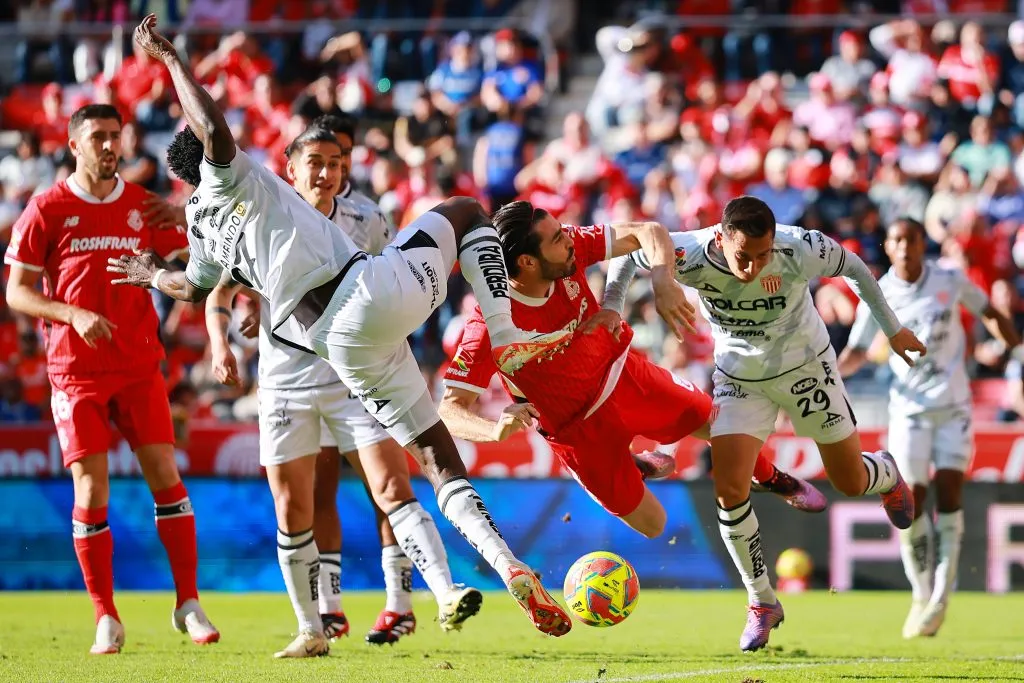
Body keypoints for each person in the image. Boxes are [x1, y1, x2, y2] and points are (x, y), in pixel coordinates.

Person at [108, 15, 576, 640]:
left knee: (435, 455)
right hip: (361, 295)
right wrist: (170, 60)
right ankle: (510, 339)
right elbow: (214, 126)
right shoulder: (230, 173)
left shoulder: (199, 227)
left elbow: (191, 288)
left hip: (339, 348)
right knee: (465, 212)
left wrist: (148, 273)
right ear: (210, 156)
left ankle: (507, 565)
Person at [602, 195, 924, 652]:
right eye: (743, 257)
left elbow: (853, 266)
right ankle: (762, 602)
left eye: (762, 255)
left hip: (806, 368)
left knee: (850, 481)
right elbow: (629, 252)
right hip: (739, 378)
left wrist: (892, 330)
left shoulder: (799, 247)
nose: (753, 267)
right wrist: (614, 306)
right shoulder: (686, 252)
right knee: (729, 488)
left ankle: (885, 472)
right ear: (720, 238)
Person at [206, 118, 467, 656]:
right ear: (291, 169)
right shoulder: (258, 215)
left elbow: (386, 282)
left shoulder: (367, 218)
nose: (327, 173)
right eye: (317, 163)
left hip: (353, 378)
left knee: (391, 487)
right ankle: (316, 624)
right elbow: (218, 289)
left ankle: (439, 593)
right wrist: (222, 340)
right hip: (284, 382)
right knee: (294, 508)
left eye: (336, 164)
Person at [438, 201, 826, 542]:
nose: (570, 239)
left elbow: (648, 232)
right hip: (576, 430)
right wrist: (493, 429)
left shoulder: (570, 247)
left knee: (719, 424)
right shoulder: (488, 324)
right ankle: (631, 464)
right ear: (526, 261)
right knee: (654, 525)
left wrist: (663, 280)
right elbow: (449, 409)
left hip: (622, 376)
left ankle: (773, 478)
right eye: (556, 238)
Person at [3, 103, 219, 655]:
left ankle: (188, 602)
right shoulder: (46, 209)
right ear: (73, 144)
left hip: (138, 363)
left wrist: (186, 223)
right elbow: (17, 292)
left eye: (114, 136)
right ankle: (106, 616)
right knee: (91, 488)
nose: (108, 146)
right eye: (96, 136)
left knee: (166, 475)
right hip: (75, 372)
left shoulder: (142, 205)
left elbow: (193, 258)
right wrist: (71, 314)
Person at [837, 218, 1022, 639]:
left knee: (952, 490)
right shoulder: (878, 292)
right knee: (912, 499)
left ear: (923, 243)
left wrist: (1015, 344)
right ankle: (921, 592)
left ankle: (942, 594)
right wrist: (827, 376)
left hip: (953, 406)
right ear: (887, 246)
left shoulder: (949, 279)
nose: (904, 247)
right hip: (908, 411)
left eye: (912, 239)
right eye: (897, 240)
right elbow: (858, 351)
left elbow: (989, 311)